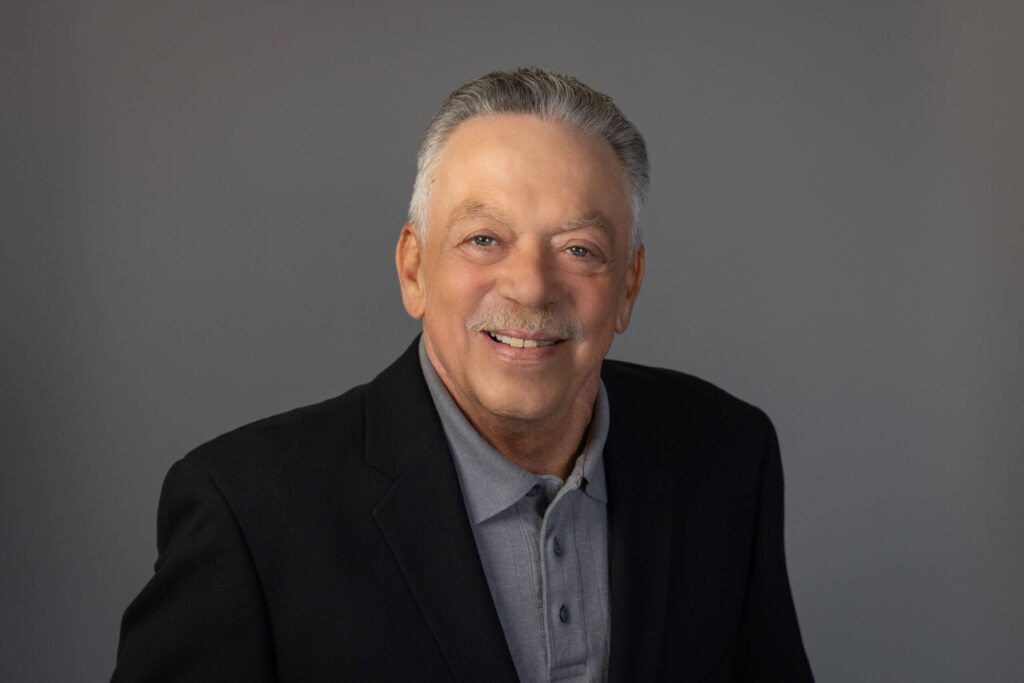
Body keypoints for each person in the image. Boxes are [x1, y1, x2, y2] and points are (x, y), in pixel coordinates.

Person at [112, 67, 813, 682]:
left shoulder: (726, 456)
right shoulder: (247, 513)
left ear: (628, 285)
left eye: (578, 248)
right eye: (484, 239)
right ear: (414, 268)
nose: (532, 287)